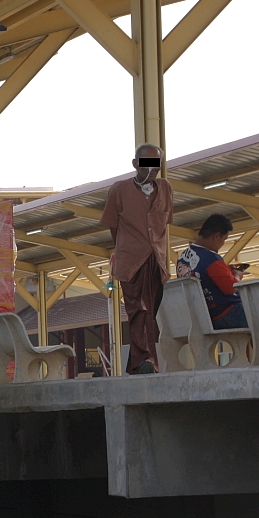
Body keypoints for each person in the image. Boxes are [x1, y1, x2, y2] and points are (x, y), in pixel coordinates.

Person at [100, 144, 174, 374]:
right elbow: (113, 226)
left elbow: (164, 224)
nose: (152, 169)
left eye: (156, 163)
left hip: (157, 260)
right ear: (135, 164)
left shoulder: (165, 188)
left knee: (150, 313)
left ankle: (136, 365)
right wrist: (126, 247)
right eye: (147, 163)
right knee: (138, 309)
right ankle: (147, 361)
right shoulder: (119, 190)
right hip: (131, 261)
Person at [176, 214, 247, 329]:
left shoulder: (183, 257)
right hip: (227, 314)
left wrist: (226, 269)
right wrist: (237, 275)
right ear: (216, 236)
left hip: (203, 317)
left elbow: (204, 274)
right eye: (224, 239)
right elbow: (231, 287)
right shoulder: (212, 259)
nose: (223, 244)